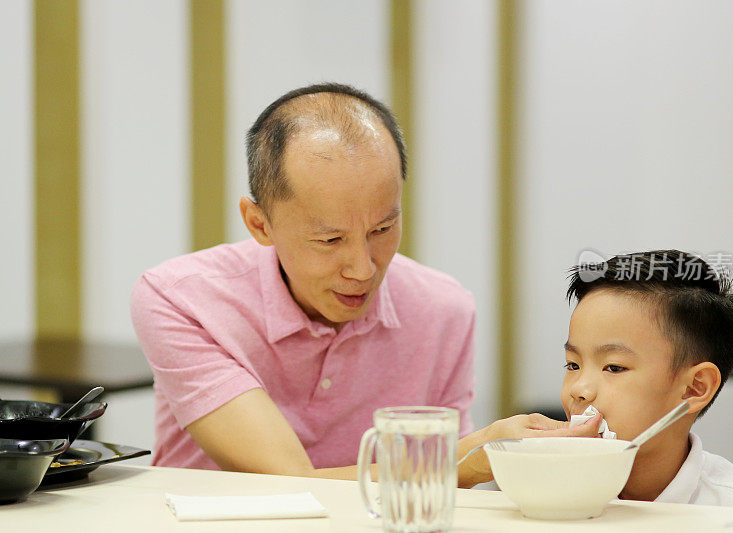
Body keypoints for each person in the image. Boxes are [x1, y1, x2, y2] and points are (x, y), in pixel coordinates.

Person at [130, 82, 600, 488]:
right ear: (259, 223)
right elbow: (289, 480)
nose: (362, 268)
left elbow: (441, 497)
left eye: (382, 229)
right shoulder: (181, 299)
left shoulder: (443, 309)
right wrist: (473, 454)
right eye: (329, 239)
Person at [562, 250, 733, 508]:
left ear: (694, 388)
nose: (579, 389)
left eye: (614, 367)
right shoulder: (536, 481)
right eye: (573, 364)